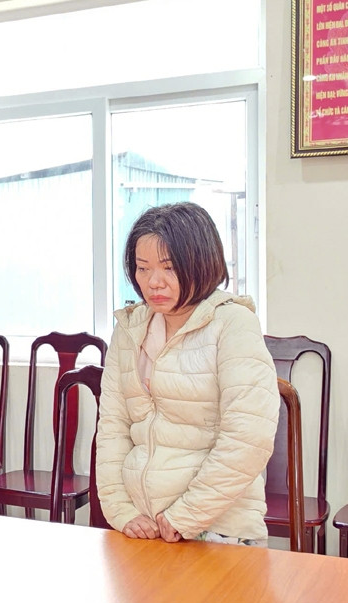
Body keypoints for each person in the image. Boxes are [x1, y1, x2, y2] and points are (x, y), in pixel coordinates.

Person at [96, 201, 279, 546]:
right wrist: (121, 511)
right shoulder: (129, 328)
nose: (154, 282)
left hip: (219, 529)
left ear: (200, 262)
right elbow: (112, 427)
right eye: (142, 268)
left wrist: (185, 515)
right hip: (144, 526)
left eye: (169, 267)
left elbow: (248, 437)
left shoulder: (233, 323)